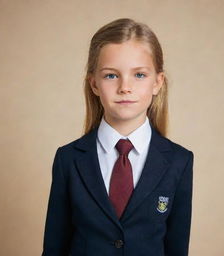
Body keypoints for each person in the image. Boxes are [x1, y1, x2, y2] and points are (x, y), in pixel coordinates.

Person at [41, 18, 194, 256]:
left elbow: (177, 248)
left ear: (158, 82)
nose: (125, 87)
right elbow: (54, 248)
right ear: (94, 84)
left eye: (139, 75)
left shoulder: (179, 161)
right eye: (111, 76)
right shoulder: (68, 159)